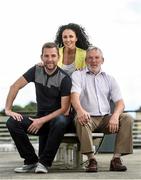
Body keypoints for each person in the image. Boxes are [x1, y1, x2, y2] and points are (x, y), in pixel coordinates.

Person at [5, 42, 72, 173]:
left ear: (58, 57)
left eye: (53, 55)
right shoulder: (36, 70)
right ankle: (31, 161)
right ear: (41, 57)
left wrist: (40, 121)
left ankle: (44, 163)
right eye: (46, 56)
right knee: (12, 122)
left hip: (57, 122)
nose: (50, 59)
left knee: (60, 120)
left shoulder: (65, 78)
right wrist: (8, 109)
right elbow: (14, 86)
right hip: (39, 120)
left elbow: (64, 109)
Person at [71, 46, 133, 172]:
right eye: (90, 58)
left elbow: (120, 103)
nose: (94, 61)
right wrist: (80, 110)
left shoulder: (110, 79)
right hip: (88, 118)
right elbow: (74, 96)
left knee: (127, 118)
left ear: (102, 60)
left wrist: (115, 116)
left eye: (97, 58)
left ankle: (116, 159)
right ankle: (91, 160)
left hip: (106, 118)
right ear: (86, 60)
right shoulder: (78, 75)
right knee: (80, 119)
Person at [39, 23, 91, 155]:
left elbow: (90, 73)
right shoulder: (57, 52)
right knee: (48, 117)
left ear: (76, 38)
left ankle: (81, 154)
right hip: (58, 95)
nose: (68, 39)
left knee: (68, 121)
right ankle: (43, 156)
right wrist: (41, 64)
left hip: (77, 96)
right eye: (65, 37)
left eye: (71, 36)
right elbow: (50, 63)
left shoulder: (84, 55)